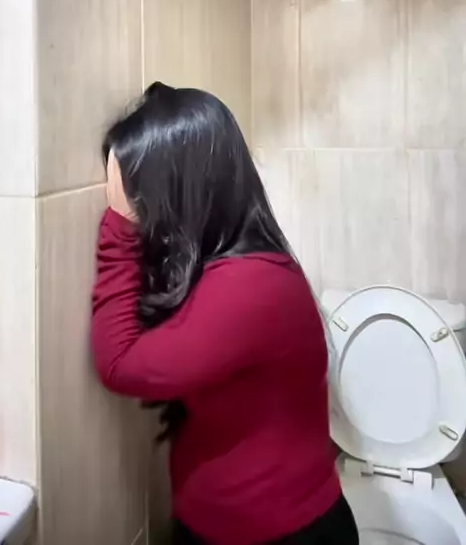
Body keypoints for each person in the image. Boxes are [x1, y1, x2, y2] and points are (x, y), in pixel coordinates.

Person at [91, 82, 358, 545]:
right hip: (244, 522)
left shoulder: (250, 289)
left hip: (279, 534)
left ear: (179, 190)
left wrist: (119, 224)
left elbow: (119, 363)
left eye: (140, 192)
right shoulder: (245, 264)